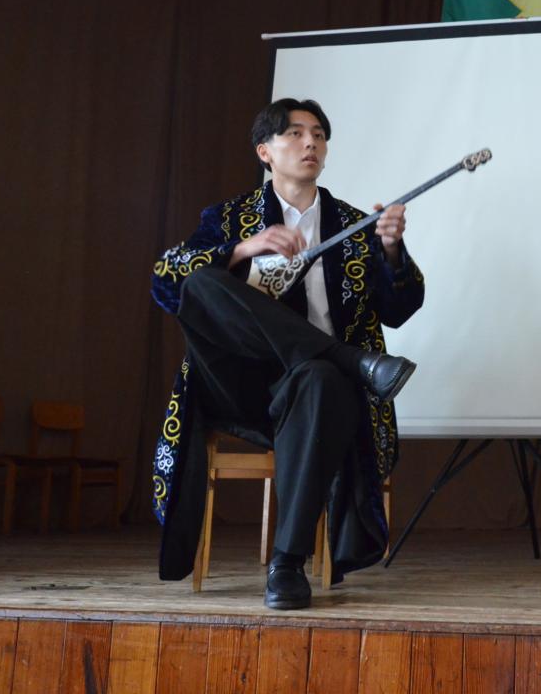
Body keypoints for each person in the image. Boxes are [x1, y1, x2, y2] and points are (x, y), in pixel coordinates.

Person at [150, 98, 424, 609]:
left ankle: (286, 565)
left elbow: (399, 309)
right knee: (201, 284)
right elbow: (166, 282)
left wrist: (391, 250)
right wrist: (243, 249)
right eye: (294, 133)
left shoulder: (355, 225)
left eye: (318, 134)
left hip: (316, 394)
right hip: (241, 383)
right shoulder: (228, 218)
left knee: (319, 377)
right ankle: (348, 359)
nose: (310, 142)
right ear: (265, 152)